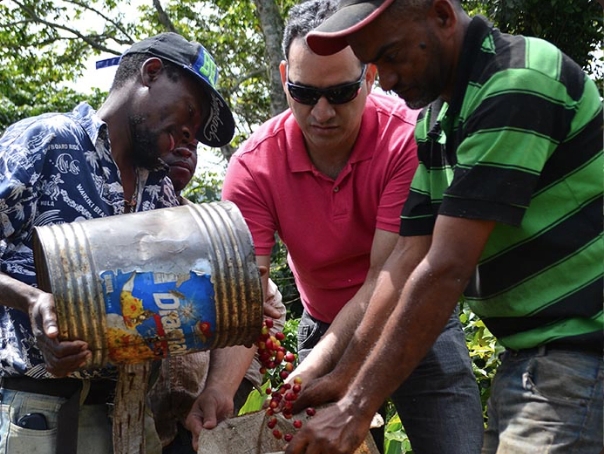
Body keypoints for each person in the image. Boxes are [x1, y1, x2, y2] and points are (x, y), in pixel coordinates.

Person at [282, 1, 604, 453]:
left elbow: (446, 266)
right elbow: (405, 257)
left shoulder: (516, 82)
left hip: (581, 349)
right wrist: (341, 376)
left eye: (392, 56)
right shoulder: (438, 122)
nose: (387, 81)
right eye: (377, 64)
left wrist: (357, 407)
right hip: (531, 356)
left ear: (441, 15)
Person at [220, 1, 484, 453]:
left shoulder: (407, 137)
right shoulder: (253, 166)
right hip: (323, 327)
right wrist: (220, 391)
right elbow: (247, 297)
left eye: (340, 93)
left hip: (415, 317)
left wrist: (317, 369)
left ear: (370, 78)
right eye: (304, 93)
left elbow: (386, 277)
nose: (322, 112)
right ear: (285, 77)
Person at [0, 31, 236, 454]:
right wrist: (31, 300)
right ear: (150, 72)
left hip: (127, 419)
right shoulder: (49, 142)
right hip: (36, 411)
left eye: (197, 129)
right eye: (190, 112)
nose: (188, 134)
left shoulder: (161, 192)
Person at [150, 141, 286, 454]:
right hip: (139, 420)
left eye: (192, 146)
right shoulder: (115, 224)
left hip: (195, 422)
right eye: (171, 139)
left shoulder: (209, 234)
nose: (185, 151)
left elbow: (268, 305)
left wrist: (225, 387)